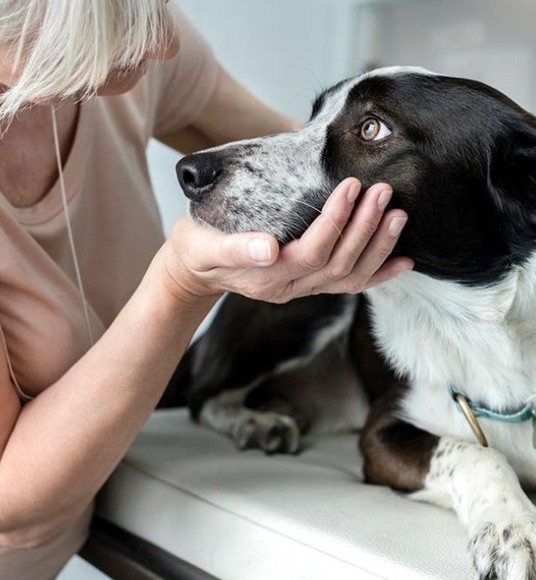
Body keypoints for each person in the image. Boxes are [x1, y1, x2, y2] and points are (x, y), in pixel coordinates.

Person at [0, 1, 411, 576]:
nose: (165, 44)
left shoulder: (130, 36)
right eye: (128, 18)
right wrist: (181, 285)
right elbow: (10, 501)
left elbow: (310, 165)